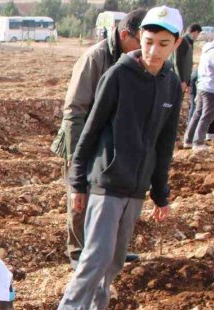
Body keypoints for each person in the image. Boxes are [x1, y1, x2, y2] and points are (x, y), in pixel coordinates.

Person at [47, 7, 182, 310]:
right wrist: (77, 182)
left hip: (136, 186)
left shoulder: (171, 86)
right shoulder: (119, 75)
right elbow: (90, 130)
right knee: (96, 253)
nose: (153, 50)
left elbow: (165, 144)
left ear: (175, 44)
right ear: (140, 39)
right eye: (148, 41)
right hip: (105, 180)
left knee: (117, 257)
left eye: (162, 43)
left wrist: (160, 193)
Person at [52, 9, 146, 267]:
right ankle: (78, 254)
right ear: (126, 35)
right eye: (142, 41)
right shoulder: (96, 58)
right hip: (84, 140)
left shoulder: (139, 63)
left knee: (112, 200)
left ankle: (110, 250)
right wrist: (76, 157)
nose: (146, 49)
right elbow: (75, 110)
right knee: (80, 200)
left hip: (114, 143)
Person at [175, 23, 202, 94]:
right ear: (196, 32)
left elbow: (188, 63)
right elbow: (178, 61)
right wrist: (182, 80)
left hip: (184, 79)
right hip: (178, 80)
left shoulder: (190, 42)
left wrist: (188, 82)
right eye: (198, 34)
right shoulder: (183, 41)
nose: (198, 37)